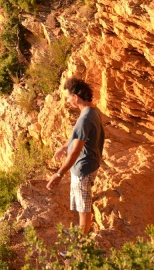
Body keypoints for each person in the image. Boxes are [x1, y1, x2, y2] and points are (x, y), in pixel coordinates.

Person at [46, 77, 105, 235]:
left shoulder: (84, 119)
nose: (67, 101)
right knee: (81, 205)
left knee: (83, 208)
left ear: (75, 97)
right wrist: (64, 146)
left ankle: (80, 244)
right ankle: (80, 232)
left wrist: (59, 174)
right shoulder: (93, 111)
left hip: (83, 168)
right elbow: (79, 137)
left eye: (68, 97)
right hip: (89, 163)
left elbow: (76, 151)